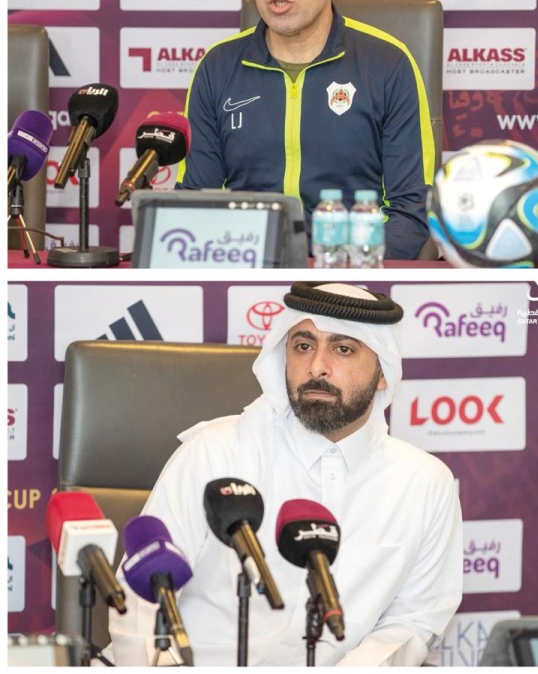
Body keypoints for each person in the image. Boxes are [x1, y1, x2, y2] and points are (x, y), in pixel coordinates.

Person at [108, 282, 462, 666]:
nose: (317, 367)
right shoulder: (217, 452)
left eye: (343, 349)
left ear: (383, 373)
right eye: (303, 346)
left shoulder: (424, 484)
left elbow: (414, 621)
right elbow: (142, 593)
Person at [178, 0, 436, 260]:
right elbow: (194, 204)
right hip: (245, 278)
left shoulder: (388, 63)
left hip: (356, 282)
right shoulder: (217, 66)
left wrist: (344, 281)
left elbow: (410, 211)